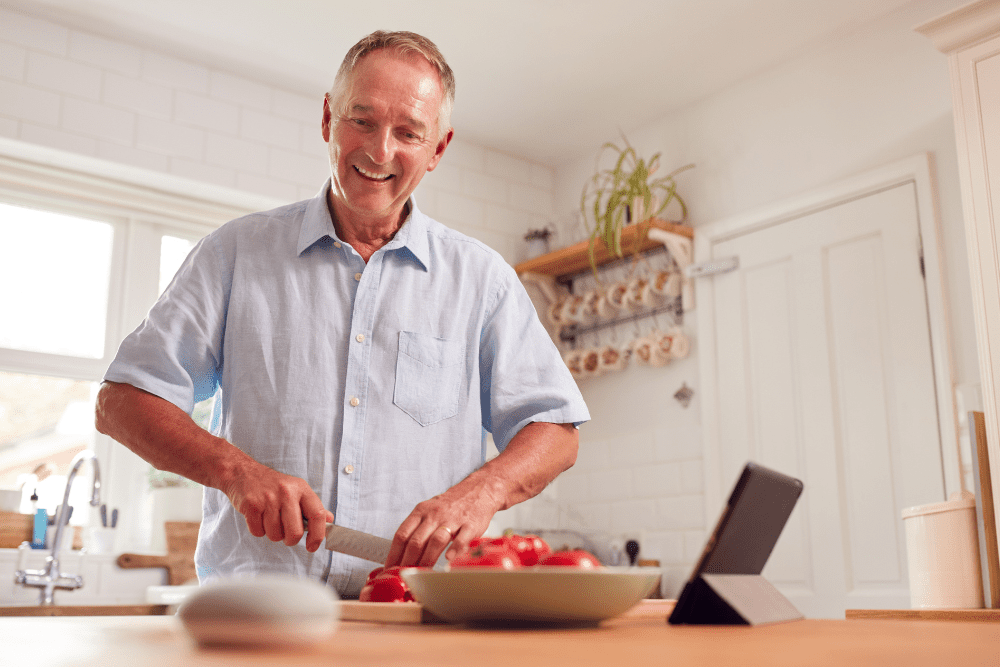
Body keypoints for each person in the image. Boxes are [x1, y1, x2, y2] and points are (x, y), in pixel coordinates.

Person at [95, 31, 588, 597]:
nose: (380, 151)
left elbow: (555, 429)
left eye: (408, 132)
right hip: (257, 612)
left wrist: (479, 492)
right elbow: (121, 403)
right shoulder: (234, 253)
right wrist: (237, 473)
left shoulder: (483, 279)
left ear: (438, 149)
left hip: (417, 613)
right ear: (329, 118)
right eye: (362, 120)